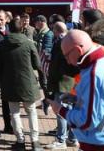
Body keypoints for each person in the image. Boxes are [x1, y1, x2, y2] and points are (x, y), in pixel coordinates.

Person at [53, 29, 104, 151]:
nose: (67, 60)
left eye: (67, 56)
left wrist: (61, 110)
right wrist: (77, 98)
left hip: (101, 144)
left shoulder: (95, 73)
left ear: (78, 50)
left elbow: (88, 121)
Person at [0, 18, 44, 148]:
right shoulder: (29, 43)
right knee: (32, 111)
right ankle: (35, 141)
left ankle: (20, 141)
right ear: (22, 29)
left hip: (10, 83)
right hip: (28, 82)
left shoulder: (2, 45)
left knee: (14, 112)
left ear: (9, 29)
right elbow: (37, 65)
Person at [44, 21, 78, 150]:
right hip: (72, 82)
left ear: (55, 30)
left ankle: (60, 139)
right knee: (72, 111)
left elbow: (56, 65)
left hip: (62, 82)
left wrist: (52, 81)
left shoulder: (61, 43)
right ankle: (73, 138)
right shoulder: (72, 40)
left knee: (61, 112)